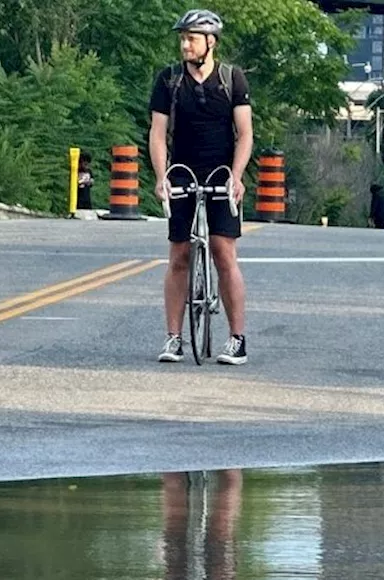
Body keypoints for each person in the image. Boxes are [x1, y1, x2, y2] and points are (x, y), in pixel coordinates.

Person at [149, 9, 253, 366]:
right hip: (182, 172)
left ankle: (237, 339)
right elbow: (158, 134)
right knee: (179, 255)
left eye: (191, 38)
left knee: (224, 253)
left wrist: (236, 177)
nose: (184, 44)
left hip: (221, 172)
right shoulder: (169, 80)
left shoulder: (231, 79)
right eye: (183, 38)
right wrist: (162, 176)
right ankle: (174, 337)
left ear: (210, 42)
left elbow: (245, 134)